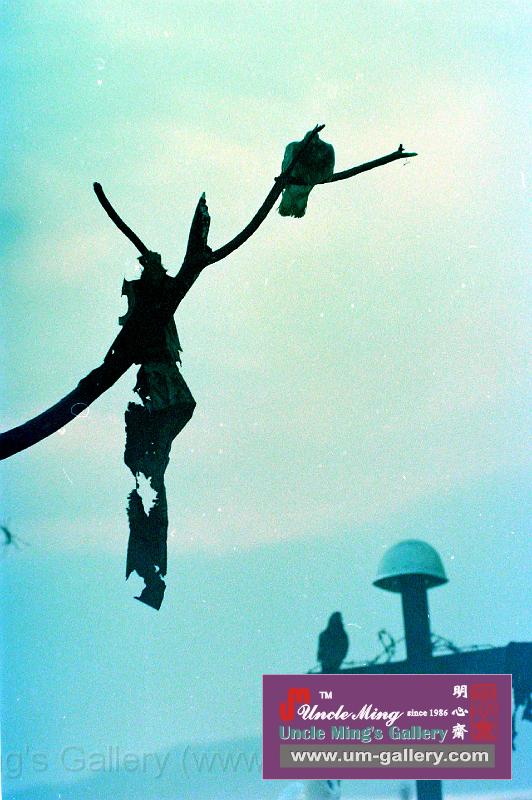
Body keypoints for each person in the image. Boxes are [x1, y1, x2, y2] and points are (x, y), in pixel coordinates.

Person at [122, 251, 196, 609]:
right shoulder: (149, 300)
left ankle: (150, 578)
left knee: (148, 486)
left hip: (159, 391)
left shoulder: (161, 299)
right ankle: (150, 579)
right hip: (157, 394)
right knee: (148, 487)